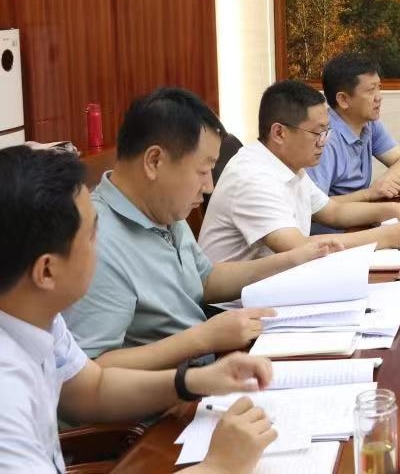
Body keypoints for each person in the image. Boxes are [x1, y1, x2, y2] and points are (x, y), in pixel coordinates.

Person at [0, 145, 277, 474]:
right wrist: (218, 467)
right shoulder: (6, 394)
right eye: (92, 234)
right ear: (46, 271)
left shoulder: (37, 316)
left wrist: (196, 380)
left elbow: (93, 388)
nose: (101, 244)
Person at [64, 88, 343, 368]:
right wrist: (201, 340)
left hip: (203, 367)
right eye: (202, 170)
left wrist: (291, 260)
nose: (209, 186)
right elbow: (90, 369)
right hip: (173, 388)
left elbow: (205, 280)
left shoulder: (160, 206)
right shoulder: (97, 240)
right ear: (154, 161)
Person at [199, 80, 400, 264]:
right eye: (317, 132)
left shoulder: (287, 164)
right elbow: (299, 247)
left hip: (281, 288)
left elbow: (333, 212)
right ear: (279, 133)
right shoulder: (252, 176)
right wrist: (388, 236)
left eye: (327, 131)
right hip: (240, 306)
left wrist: (395, 210)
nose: (323, 141)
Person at [307, 53, 400, 235]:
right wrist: (369, 194)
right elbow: (313, 208)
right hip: (333, 238)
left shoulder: (369, 123)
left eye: (379, 88)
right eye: (371, 90)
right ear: (343, 100)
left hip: (360, 225)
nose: (379, 97)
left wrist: (385, 182)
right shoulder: (324, 139)